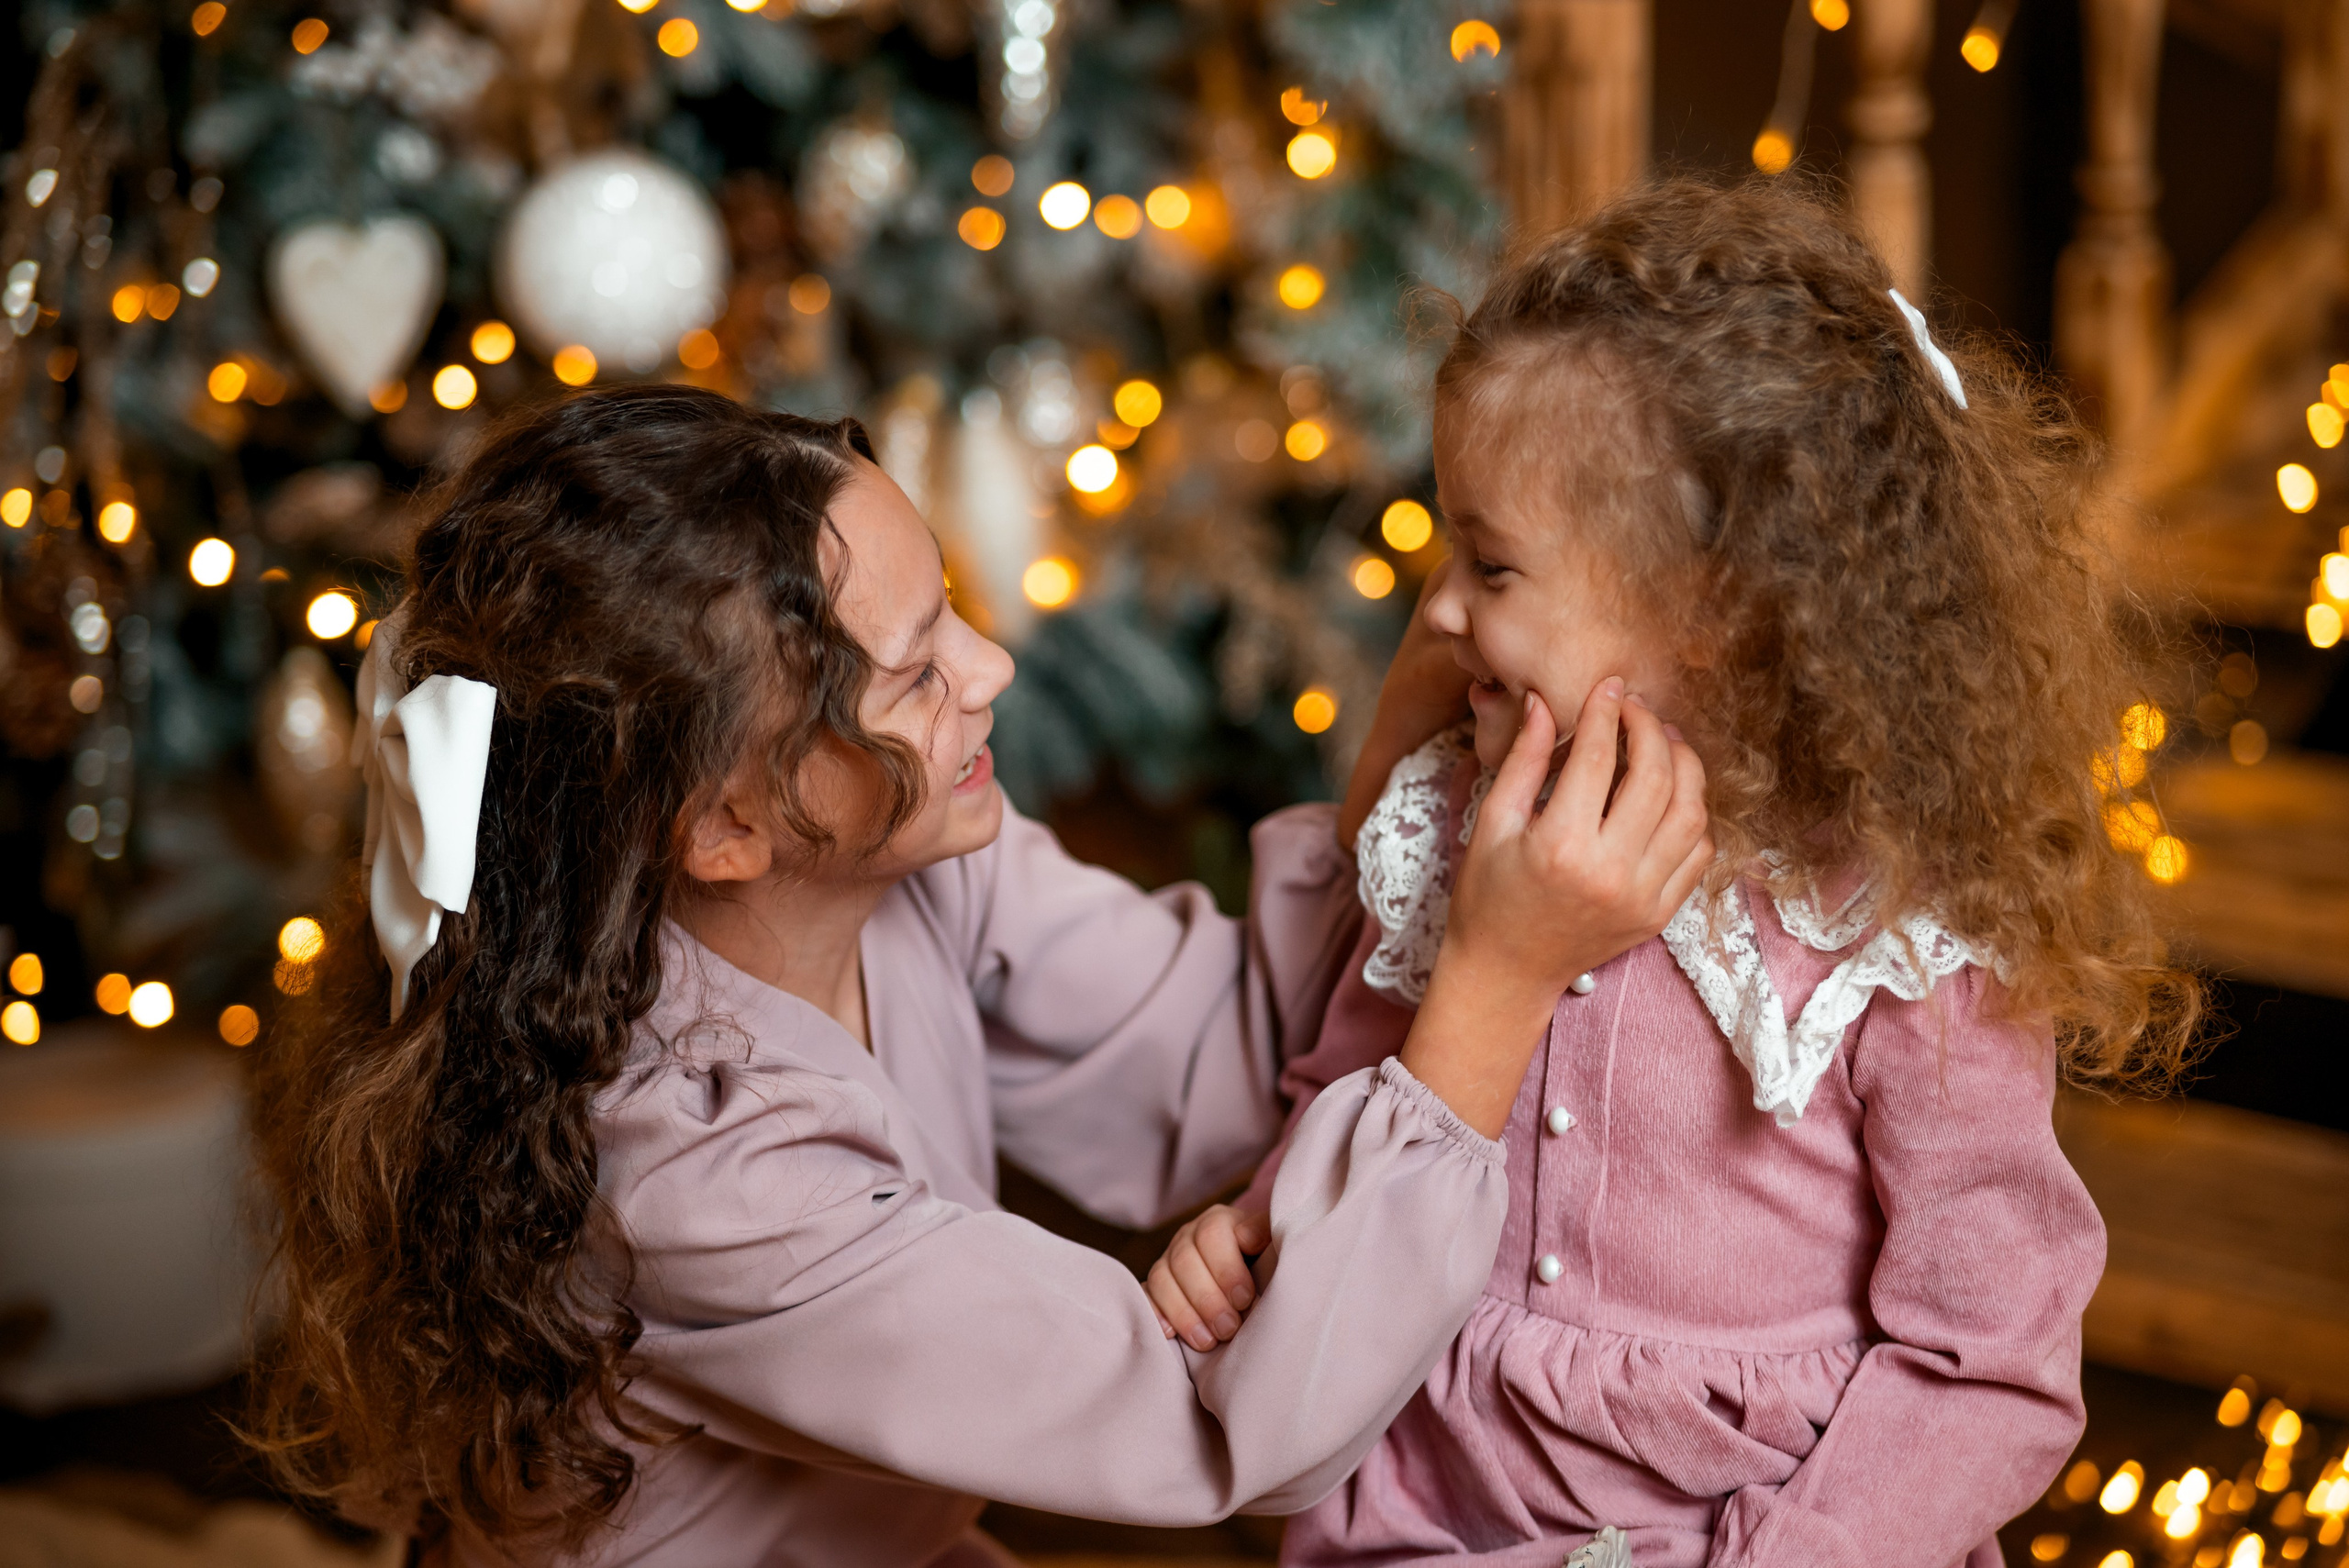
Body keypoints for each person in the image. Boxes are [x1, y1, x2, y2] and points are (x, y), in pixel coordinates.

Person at [244, 384, 1713, 1567]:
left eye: (952, 609)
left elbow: (1223, 1048)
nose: (994, 664)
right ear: (728, 824)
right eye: (915, 673)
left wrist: (1406, 744)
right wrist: (1499, 987)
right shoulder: (689, 1168)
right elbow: (1215, 1429)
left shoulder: (916, 857)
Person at [1145, 179, 2202, 1568]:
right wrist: (1259, 1222)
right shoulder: (1464, 818)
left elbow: (1988, 1360)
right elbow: (1360, 1090)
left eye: (1492, 563)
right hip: (1427, 1502)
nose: (1440, 609)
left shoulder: (1898, 935)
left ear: (1717, 612)